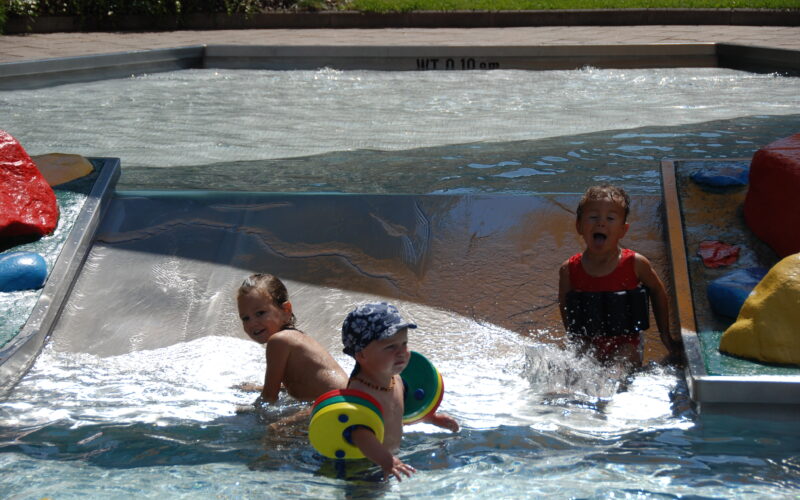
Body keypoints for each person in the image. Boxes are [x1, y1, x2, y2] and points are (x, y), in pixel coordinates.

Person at [558, 184, 682, 366]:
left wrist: (665, 334)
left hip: (626, 343)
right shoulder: (569, 269)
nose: (601, 223)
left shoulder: (635, 263)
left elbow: (657, 291)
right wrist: (572, 336)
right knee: (578, 364)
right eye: (593, 217)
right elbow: (565, 304)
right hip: (588, 341)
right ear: (579, 226)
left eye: (610, 218)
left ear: (623, 230)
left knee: (621, 365)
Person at [341, 302, 459, 481]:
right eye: (390, 347)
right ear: (361, 355)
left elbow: (399, 411)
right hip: (362, 465)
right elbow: (360, 434)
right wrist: (387, 461)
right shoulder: (360, 393)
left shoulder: (395, 379)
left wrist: (430, 418)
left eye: (404, 344)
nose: (402, 352)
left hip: (389, 459)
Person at [236, 273, 348, 406]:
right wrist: (257, 388)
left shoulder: (278, 341)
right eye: (245, 318)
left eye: (260, 313)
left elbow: (268, 398)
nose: (252, 323)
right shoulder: (293, 337)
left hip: (335, 404)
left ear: (285, 310)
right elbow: (303, 381)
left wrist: (246, 413)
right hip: (349, 400)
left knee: (275, 427)